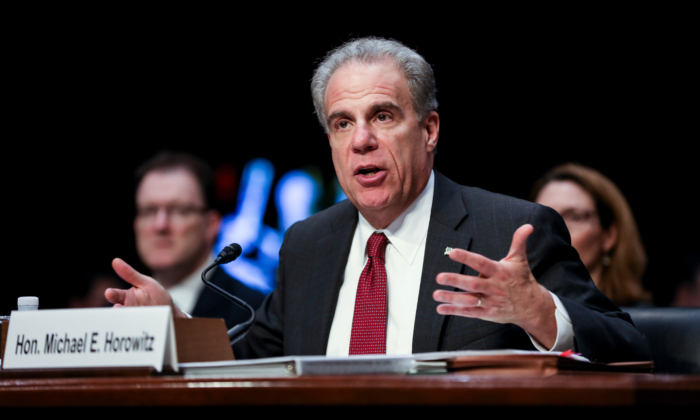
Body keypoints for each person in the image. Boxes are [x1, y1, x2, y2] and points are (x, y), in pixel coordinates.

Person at [106, 38, 651, 363]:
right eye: (342, 123)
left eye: (382, 116)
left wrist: (540, 315)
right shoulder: (308, 245)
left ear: (430, 129)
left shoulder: (507, 228)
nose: (361, 139)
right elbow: (248, 364)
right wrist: (176, 331)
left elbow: (629, 346)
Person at [129, 151, 264, 329]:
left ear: (211, 225)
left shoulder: (254, 313)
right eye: (149, 211)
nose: (160, 225)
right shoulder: (114, 312)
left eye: (178, 210)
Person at [531, 163, 650, 307]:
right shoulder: (511, 321)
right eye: (541, 218)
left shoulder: (637, 323)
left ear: (609, 236)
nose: (552, 229)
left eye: (575, 217)